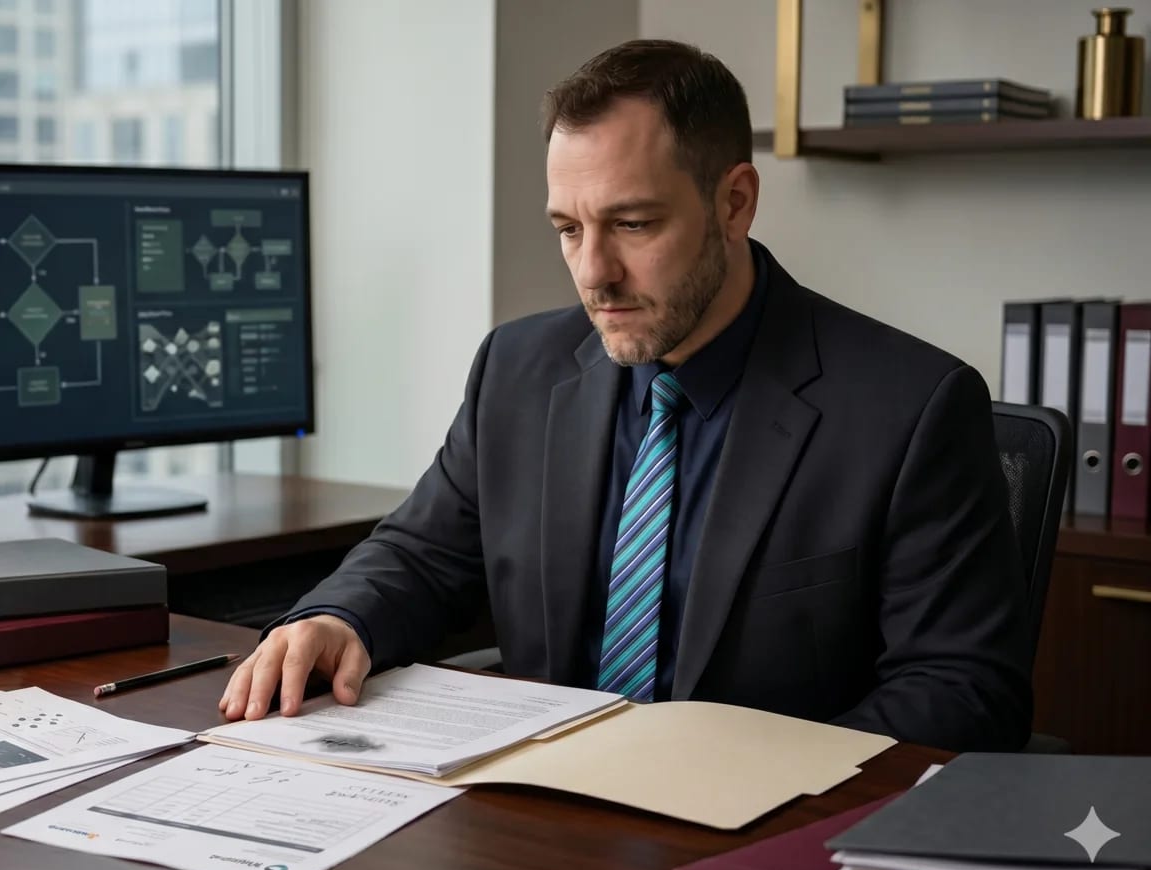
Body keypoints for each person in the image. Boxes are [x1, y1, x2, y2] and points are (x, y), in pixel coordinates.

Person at [218, 39, 1032, 752]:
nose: (592, 273)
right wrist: (337, 618)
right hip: (544, 817)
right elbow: (421, 555)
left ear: (735, 203)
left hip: (756, 833)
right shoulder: (516, 370)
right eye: (568, 229)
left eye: (633, 225)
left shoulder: (909, 408)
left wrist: (751, 787)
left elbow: (962, 692)